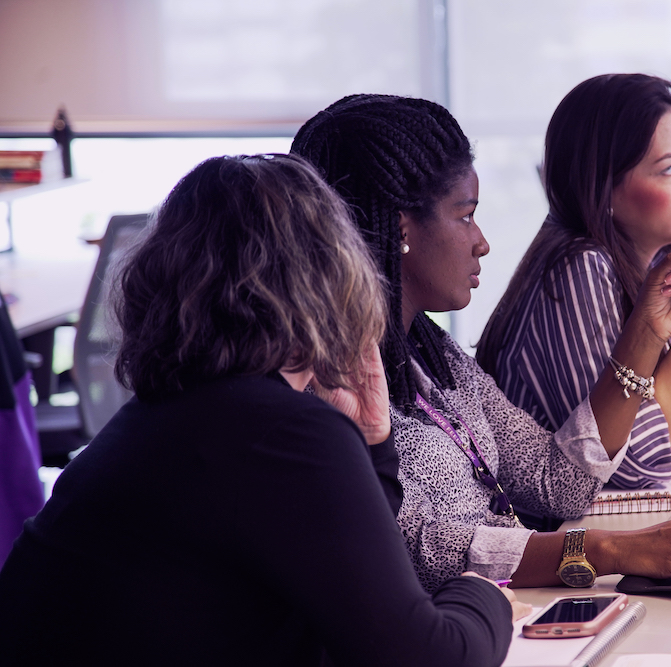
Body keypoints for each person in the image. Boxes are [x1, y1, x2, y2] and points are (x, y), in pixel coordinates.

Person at [0, 154, 524, 666]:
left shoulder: (168, 416)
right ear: (329, 276)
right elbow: (425, 656)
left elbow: (357, 584)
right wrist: (484, 593)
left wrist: (373, 445)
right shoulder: (278, 431)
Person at [291, 94, 671, 595]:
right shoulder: (329, 380)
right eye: (464, 216)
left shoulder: (433, 356)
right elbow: (412, 548)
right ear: (400, 226)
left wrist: (649, 333)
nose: (482, 241)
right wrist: (608, 549)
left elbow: (557, 479)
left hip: (504, 611)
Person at [478, 74, 671, 490]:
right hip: (553, 539)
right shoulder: (580, 270)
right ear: (603, 189)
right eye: (669, 169)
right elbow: (636, 468)